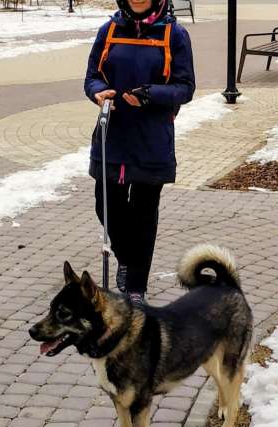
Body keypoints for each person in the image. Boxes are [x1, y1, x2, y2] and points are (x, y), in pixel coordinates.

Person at [84, 0, 195, 306]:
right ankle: (127, 260)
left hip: (151, 140)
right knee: (105, 205)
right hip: (113, 137)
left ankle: (136, 287)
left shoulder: (174, 34)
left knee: (143, 215)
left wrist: (151, 95)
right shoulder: (109, 31)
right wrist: (97, 91)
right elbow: (91, 77)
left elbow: (185, 87)